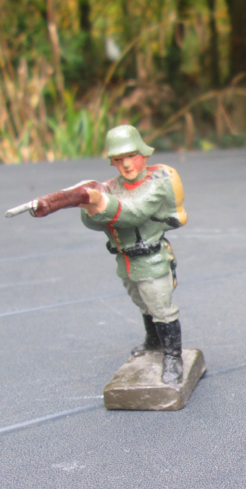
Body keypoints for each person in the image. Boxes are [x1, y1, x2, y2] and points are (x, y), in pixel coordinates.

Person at [81, 125, 187, 384]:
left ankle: (173, 356)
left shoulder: (155, 184)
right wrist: (88, 205)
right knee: (142, 303)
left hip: (151, 259)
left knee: (161, 307)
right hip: (126, 259)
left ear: (144, 154)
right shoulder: (111, 187)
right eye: (119, 159)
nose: (126, 164)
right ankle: (154, 341)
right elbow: (94, 223)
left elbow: (133, 213)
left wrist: (100, 202)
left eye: (131, 156)